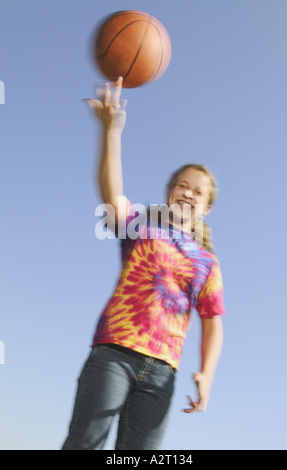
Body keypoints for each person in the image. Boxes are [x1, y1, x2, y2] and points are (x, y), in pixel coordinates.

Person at [62, 77, 226, 451]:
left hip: (163, 373)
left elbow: (213, 323)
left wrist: (207, 375)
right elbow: (111, 196)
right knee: (84, 445)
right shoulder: (144, 224)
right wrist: (111, 132)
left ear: (207, 208)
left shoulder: (207, 262)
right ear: (171, 192)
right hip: (115, 353)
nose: (186, 192)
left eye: (197, 191)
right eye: (181, 185)